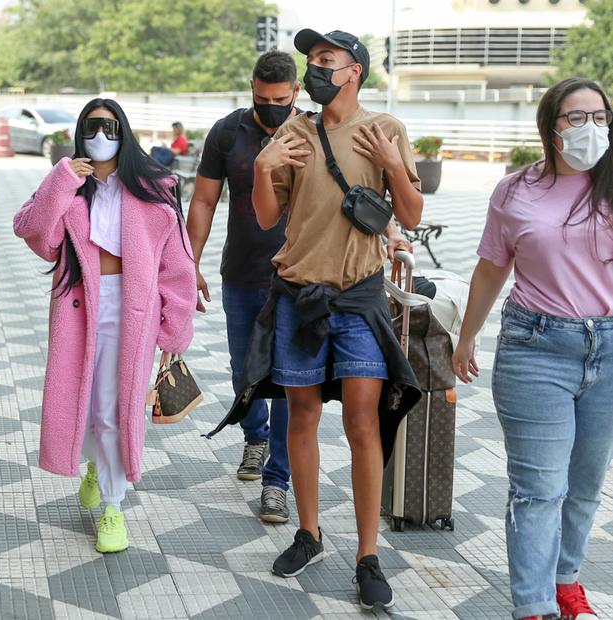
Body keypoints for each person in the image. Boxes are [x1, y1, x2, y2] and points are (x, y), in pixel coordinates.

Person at [188, 50, 413, 525]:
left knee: (305, 396)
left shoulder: (345, 131)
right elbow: (206, 200)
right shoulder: (232, 133)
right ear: (251, 88)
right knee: (245, 374)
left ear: (294, 93)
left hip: (325, 288)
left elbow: (385, 204)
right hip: (248, 273)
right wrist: (190, 263)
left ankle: (278, 480)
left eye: (279, 97)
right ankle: (256, 439)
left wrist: (391, 227)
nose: (270, 105)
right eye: (260, 97)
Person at [250, 30, 422, 609]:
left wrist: (394, 166)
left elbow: (413, 212)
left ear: (355, 71)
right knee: (299, 413)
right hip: (299, 294)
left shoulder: (385, 130)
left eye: (327, 60)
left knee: (362, 423)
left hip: (360, 298)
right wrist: (261, 168)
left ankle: (367, 555)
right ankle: (309, 532)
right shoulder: (294, 132)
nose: (315, 69)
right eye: (312, 61)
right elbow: (269, 215)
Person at [454, 77, 613, 620]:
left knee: (585, 485)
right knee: (540, 489)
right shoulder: (516, 189)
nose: (591, 127)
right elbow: (492, 266)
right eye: (577, 117)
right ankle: (533, 607)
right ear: (551, 127)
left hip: (610, 350)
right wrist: (467, 333)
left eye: (600, 116)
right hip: (536, 348)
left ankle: (567, 583)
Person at [13, 98, 196, 553]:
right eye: (93, 126)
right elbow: (35, 234)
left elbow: (177, 263)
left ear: (124, 131)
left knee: (117, 407)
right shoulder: (69, 182)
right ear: (80, 132)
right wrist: (62, 180)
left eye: (110, 126)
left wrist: (174, 327)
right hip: (79, 307)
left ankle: (113, 507)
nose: (101, 134)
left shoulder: (154, 186)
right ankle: (94, 464)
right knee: (86, 396)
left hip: (133, 309)